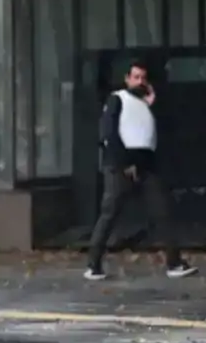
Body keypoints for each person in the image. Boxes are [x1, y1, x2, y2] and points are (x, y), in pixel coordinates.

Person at [84, 60, 197, 281]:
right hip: (121, 164)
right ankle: (93, 264)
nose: (139, 82)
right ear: (127, 79)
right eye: (135, 77)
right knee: (110, 213)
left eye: (143, 78)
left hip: (146, 163)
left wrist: (152, 104)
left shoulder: (146, 104)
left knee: (163, 211)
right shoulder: (118, 98)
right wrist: (124, 163)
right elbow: (108, 134)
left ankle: (174, 262)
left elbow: (151, 132)